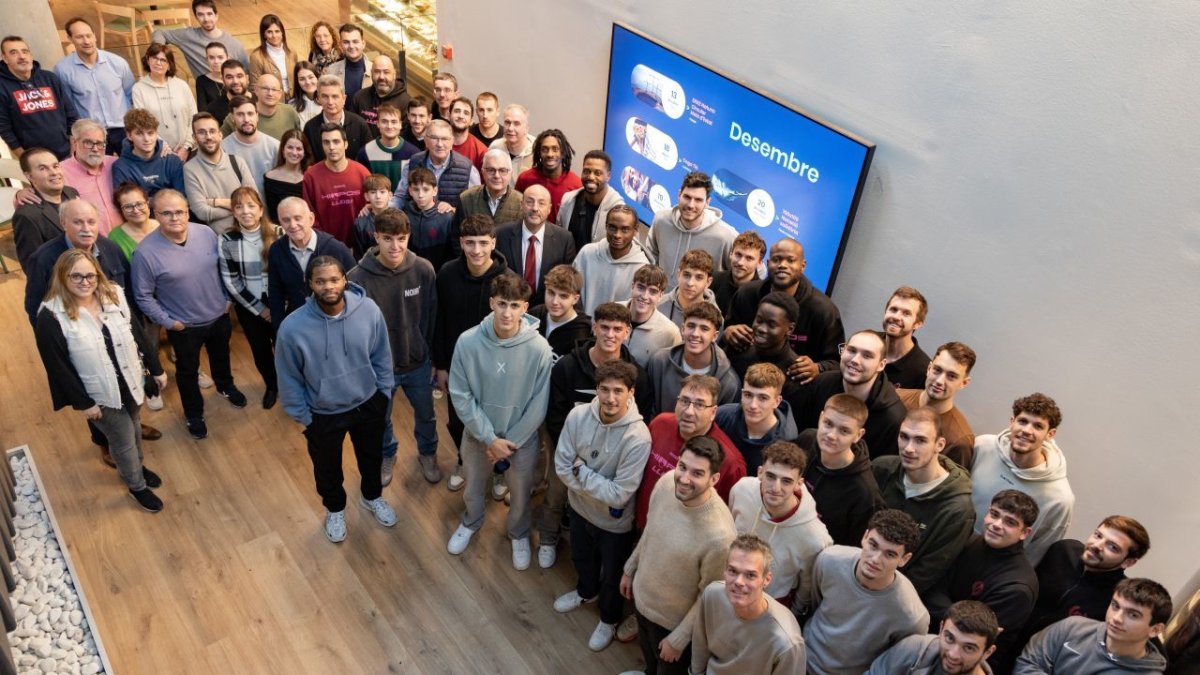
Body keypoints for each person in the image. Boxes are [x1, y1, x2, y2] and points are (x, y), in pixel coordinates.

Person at [275, 255, 397, 543]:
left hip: (368, 402)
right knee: (327, 469)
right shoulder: (292, 328)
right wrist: (304, 416)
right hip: (323, 413)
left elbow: (381, 354)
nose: (328, 286)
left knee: (371, 458)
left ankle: (372, 497)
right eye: (320, 281)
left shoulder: (368, 310)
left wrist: (383, 392)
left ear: (344, 279)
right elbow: (288, 375)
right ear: (310, 285)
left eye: (333, 279)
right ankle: (335, 509)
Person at [34, 249, 167, 512]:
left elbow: (137, 333)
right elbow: (57, 367)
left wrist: (156, 368)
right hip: (99, 395)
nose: (85, 282)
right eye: (76, 277)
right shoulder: (50, 316)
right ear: (62, 277)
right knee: (123, 440)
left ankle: (136, 468)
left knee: (135, 426)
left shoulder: (113, 294)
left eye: (90, 275)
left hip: (130, 381)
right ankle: (136, 486)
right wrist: (84, 403)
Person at [445, 274, 553, 571]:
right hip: (479, 435)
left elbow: (538, 404)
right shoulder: (468, 342)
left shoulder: (540, 349)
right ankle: (471, 520)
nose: (507, 312)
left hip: (522, 439)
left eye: (514, 305)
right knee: (473, 486)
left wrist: (510, 441)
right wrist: (489, 438)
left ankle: (518, 532)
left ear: (525, 308)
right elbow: (460, 393)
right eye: (502, 304)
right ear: (492, 303)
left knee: (520, 493)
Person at [540, 302, 655, 566]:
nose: (610, 335)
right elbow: (556, 415)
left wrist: (586, 471)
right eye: (604, 327)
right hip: (570, 446)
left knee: (600, 501)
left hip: (612, 454)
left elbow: (643, 417)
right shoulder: (567, 367)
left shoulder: (639, 376)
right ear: (594, 327)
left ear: (627, 332)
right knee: (556, 493)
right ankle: (547, 536)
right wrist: (570, 455)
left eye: (618, 329)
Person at [551, 360, 651, 651]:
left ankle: (608, 618)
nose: (610, 398)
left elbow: (620, 494)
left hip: (614, 523)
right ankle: (585, 592)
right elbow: (561, 466)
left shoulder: (638, 437)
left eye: (618, 391)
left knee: (613, 576)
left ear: (631, 392)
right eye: (604, 390)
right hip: (579, 508)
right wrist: (591, 482)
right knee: (582, 558)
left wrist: (581, 471)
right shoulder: (577, 415)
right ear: (596, 389)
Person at [132, 189, 246, 439]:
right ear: (155, 214)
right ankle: (194, 413)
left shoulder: (205, 233)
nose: (175, 218)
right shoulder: (145, 253)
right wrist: (169, 322)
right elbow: (142, 295)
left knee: (221, 356)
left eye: (180, 212)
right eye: (167, 213)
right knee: (187, 372)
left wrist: (228, 300)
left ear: (187, 212)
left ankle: (225, 386)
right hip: (184, 327)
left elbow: (224, 268)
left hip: (219, 315)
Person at [621, 438, 738, 675]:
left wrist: (680, 638)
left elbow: (710, 597)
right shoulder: (666, 483)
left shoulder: (720, 537)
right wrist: (630, 568)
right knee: (649, 661)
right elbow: (650, 530)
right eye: (682, 467)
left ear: (714, 479)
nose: (684, 478)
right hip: (642, 600)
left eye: (697, 473)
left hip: (671, 625)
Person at [346, 208, 439, 485]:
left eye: (401, 238)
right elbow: (353, 329)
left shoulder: (423, 269)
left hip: (418, 362)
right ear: (376, 237)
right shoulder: (356, 278)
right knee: (381, 418)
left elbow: (431, 316)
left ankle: (428, 452)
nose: (395, 246)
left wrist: (431, 356)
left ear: (408, 237)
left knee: (426, 414)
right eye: (387, 238)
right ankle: (388, 453)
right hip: (379, 369)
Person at [432, 215, 511, 490]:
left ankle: (500, 468)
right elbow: (438, 321)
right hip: (457, 367)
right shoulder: (446, 274)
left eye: (482, 243)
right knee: (457, 421)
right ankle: (464, 460)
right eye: (470, 243)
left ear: (493, 243)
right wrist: (440, 365)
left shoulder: (508, 280)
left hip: (497, 369)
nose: (476, 250)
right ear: (461, 243)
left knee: (497, 423)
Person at [804, 509, 929, 675]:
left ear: (904, 559)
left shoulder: (911, 615)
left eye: (890, 554)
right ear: (864, 537)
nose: (875, 559)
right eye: (873, 545)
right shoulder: (829, 560)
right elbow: (815, 603)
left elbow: (895, 662)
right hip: (801, 658)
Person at [927, 489, 1040, 671]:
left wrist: (944, 609)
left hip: (968, 664)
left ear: (1025, 533)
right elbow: (933, 585)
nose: (996, 524)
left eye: (1009, 522)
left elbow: (972, 631)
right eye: (994, 514)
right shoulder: (969, 541)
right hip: (935, 639)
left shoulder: (1018, 587)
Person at [872, 407, 976, 597]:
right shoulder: (881, 469)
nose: (909, 448)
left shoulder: (958, 510)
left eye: (920, 440)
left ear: (940, 444)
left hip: (898, 594)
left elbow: (928, 572)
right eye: (904, 437)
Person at [971, 393, 1074, 567]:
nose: (1027, 431)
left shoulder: (1060, 498)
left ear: (1051, 434)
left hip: (993, 571)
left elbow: (1035, 553)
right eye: (1023, 421)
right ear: (1012, 422)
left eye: (1038, 426)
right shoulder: (982, 447)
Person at [728, 441, 832, 612]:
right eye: (770, 476)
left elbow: (807, 585)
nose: (776, 488)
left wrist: (793, 612)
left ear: (799, 483)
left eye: (786, 481)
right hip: (730, 587)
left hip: (772, 604)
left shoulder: (815, 537)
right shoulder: (741, 490)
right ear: (760, 473)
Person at [722, 237, 844, 382]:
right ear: (768, 264)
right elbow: (726, 330)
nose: (782, 265)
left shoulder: (823, 310)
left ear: (803, 265)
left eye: (790, 260)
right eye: (776, 260)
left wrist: (818, 368)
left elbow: (838, 362)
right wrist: (728, 332)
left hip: (792, 386)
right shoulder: (747, 294)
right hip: (741, 375)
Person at [634, 374, 747, 530]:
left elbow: (726, 519)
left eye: (700, 405)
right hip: (641, 529)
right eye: (684, 401)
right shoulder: (660, 424)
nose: (689, 411)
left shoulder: (729, 462)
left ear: (713, 412)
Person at [690, 535, 808, 675]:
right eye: (733, 571)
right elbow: (700, 648)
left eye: (750, 575)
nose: (739, 581)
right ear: (725, 571)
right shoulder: (712, 595)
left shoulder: (787, 642)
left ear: (766, 579)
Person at [1022, 515, 1151, 642]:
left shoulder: (1120, 597)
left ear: (1128, 562)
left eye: (1112, 547)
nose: (1096, 545)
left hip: (1045, 659)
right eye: (1098, 535)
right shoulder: (1063, 550)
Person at [791, 329, 907, 457]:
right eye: (851, 350)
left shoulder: (892, 419)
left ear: (881, 365)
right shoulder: (821, 383)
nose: (855, 360)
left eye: (867, 356)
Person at [1015, 578, 1171, 674]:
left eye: (1133, 615)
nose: (1116, 618)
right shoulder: (1073, 627)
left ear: (1155, 629)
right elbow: (1028, 662)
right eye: (1115, 606)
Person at [796, 394, 886, 546]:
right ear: (820, 417)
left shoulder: (865, 495)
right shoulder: (806, 440)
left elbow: (854, 551)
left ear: (858, 435)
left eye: (844, 431)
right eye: (828, 424)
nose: (831, 435)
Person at [218, 187, 280, 409]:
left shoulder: (278, 233)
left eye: (251, 205)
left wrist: (278, 305)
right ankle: (272, 385)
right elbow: (231, 281)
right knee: (261, 350)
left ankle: (293, 384)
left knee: (286, 347)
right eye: (239, 206)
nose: (246, 211)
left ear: (261, 209)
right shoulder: (227, 240)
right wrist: (261, 310)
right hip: (250, 307)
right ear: (233, 212)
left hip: (281, 304)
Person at [266, 197, 357, 332]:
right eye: (286, 220)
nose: (292, 225)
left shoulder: (336, 248)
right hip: (298, 323)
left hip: (335, 323)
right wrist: (279, 327)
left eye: (298, 218)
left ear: (311, 218)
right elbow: (275, 290)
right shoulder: (276, 250)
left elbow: (355, 286)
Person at [55, 18, 134, 154]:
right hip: (91, 135)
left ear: (95, 36)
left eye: (88, 35)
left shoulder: (117, 63)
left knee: (134, 169)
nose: (86, 41)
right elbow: (68, 107)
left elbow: (131, 94)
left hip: (123, 129)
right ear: (70, 38)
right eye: (79, 37)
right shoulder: (62, 70)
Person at [646, 302, 739, 416]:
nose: (695, 334)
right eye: (691, 326)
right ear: (682, 329)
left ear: (714, 336)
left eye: (704, 329)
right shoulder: (659, 361)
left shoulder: (729, 382)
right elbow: (649, 410)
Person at [646, 171, 737, 286]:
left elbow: (742, 272)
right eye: (687, 197)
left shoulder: (725, 236)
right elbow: (650, 257)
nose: (691, 205)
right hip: (662, 300)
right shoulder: (661, 219)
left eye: (698, 200)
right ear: (679, 194)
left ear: (707, 202)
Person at [898, 341, 977, 468]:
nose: (940, 381)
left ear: (964, 383)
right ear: (929, 369)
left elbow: (949, 486)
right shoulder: (896, 398)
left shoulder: (960, 439)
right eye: (937, 370)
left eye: (951, 376)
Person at [495, 184, 577, 305]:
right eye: (529, 202)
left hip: (547, 310)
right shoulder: (501, 235)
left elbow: (568, 283)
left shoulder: (564, 239)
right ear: (521, 205)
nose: (535, 208)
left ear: (549, 208)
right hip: (510, 307)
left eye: (541, 203)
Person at [868, 600, 1001, 675]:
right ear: (941, 628)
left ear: (987, 652)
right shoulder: (914, 649)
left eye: (968, 648)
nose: (953, 654)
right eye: (950, 639)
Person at [0, 36, 78, 159]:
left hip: (67, 153)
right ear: (5, 58)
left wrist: (74, 145)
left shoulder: (50, 78)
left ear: (30, 55)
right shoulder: (2, 87)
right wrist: (26, 158)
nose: (21, 56)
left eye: (25, 51)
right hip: (36, 160)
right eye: (13, 53)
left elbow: (71, 113)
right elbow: (4, 129)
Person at [715, 363, 797, 474]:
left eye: (763, 398)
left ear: (777, 401)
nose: (753, 405)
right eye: (748, 395)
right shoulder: (722, 416)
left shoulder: (786, 443)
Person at [183, 112, 254, 233]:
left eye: (212, 131)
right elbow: (202, 212)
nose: (208, 136)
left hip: (249, 234)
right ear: (194, 138)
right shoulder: (190, 169)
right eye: (201, 132)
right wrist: (239, 207)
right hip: (218, 241)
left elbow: (254, 201)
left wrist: (216, 202)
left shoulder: (237, 162)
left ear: (220, 135)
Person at [573, 204, 651, 315]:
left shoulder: (642, 269)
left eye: (624, 229)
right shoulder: (587, 253)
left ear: (635, 230)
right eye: (612, 227)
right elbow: (571, 292)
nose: (617, 235)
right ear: (606, 226)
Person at [389, 119, 481, 211]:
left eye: (445, 139)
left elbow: (475, 207)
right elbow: (400, 198)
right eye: (434, 138)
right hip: (417, 222)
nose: (439, 144)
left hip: (452, 223)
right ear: (426, 140)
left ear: (452, 141)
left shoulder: (468, 169)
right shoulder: (412, 163)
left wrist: (454, 210)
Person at [302, 123, 370, 246]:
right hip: (326, 246)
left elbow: (372, 208)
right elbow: (309, 215)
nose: (331, 147)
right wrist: (325, 243)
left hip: (360, 246)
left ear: (346, 144)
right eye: (326, 142)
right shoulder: (311, 176)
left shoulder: (362, 173)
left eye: (336, 141)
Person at [727, 292, 803, 399]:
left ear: (790, 329)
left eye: (771, 325)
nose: (762, 329)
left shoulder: (795, 372)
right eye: (759, 320)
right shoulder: (740, 348)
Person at [12, 148, 80, 268]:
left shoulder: (72, 193)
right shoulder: (27, 215)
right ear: (29, 176)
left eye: (55, 166)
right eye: (43, 168)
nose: (54, 172)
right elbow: (32, 265)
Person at [150, 0, 249, 82]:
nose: (206, 19)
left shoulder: (235, 44)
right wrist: (159, 50)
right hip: (205, 92)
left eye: (209, 14)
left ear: (216, 15)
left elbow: (248, 74)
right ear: (196, 17)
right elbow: (159, 32)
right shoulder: (188, 36)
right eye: (200, 15)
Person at [131, 44, 196, 161]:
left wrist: (186, 147)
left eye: (163, 60)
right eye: (154, 58)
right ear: (147, 60)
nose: (158, 63)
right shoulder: (139, 88)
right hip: (159, 152)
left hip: (188, 150)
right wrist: (164, 146)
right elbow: (143, 123)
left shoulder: (182, 85)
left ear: (169, 65)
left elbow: (194, 116)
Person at [452, 148, 523, 250]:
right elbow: (456, 237)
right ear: (483, 172)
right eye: (491, 170)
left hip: (508, 265)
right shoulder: (466, 199)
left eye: (503, 170)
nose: (497, 176)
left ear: (510, 173)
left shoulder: (521, 203)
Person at [556, 149, 625, 252]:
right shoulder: (568, 200)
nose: (591, 177)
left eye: (597, 173)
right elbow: (559, 238)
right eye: (587, 171)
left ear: (608, 176)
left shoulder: (620, 211)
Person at [60, 120, 121, 233]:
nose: (95, 149)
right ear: (74, 142)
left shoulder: (116, 164)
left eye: (100, 143)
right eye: (88, 143)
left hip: (126, 241)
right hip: (90, 244)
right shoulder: (60, 172)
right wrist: (20, 194)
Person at [111, 108, 186, 197]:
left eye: (150, 133)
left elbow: (182, 197)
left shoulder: (172, 161)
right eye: (139, 134)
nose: (146, 139)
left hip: (171, 209)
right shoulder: (121, 167)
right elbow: (127, 201)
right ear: (129, 136)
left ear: (156, 134)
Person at [515, 129, 583, 223]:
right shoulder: (525, 179)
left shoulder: (576, 185)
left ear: (563, 153)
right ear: (539, 153)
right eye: (545, 149)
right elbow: (516, 212)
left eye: (555, 149)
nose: (550, 154)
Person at [622, 264, 683, 367]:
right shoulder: (612, 311)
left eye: (653, 291)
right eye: (641, 288)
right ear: (632, 286)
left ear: (660, 295)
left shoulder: (670, 332)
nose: (645, 296)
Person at [302, 75, 373, 163]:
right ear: (318, 98)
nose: (330, 102)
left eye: (335, 96)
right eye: (325, 96)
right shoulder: (310, 128)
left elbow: (369, 157)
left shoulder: (359, 125)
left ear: (344, 99)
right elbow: (308, 162)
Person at [527, 265, 591, 360]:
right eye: (551, 293)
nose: (555, 302)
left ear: (575, 299)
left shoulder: (582, 335)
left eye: (563, 296)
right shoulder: (534, 316)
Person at [222, 95, 281, 196]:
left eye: (250, 114)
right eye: (240, 114)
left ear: (257, 116)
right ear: (232, 118)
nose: (246, 119)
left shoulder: (275, 146)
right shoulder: (222, 149)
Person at [401, 167, 455, 270]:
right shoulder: (405, 213)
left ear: (435, 191)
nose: (420, 195)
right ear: (410, 191)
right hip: (412, 271)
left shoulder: (447, 216)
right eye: (416, 189)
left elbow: (453, 251)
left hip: (439, 272)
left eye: (426, 190)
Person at [355, 103, 418, 188]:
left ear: (400, 124)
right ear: (378, 124)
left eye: (394, 122)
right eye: (384, 121)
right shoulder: (365, 152)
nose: (389, 126)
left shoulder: (413, 154)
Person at [656, 249, 722, 329]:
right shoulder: (658, 305)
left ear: (708, 282)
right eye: (686, 275)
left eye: (699, 277)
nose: (690, 283)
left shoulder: (715, 317)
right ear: (678, 275)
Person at [882, 286, 932, 389]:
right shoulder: (864, 343)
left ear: (917, 324)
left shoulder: (923, 371)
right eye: (893, 309)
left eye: (906, 313)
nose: (896, 317)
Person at [226, 74, 300, 141]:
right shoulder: (239, 115)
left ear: (280, 93)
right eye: (265, 89)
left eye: (274, 90)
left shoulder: (290, 112)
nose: (270, 93)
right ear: (256, 90)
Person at [711, 230, 766, 319]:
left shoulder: (762, 295)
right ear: (731, 254)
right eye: (738, 255)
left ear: (759, 263)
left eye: (749, 258)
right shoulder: (713, 280)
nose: (740, 262)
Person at [263, 129, 312, 223]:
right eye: (290, 147)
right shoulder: (271, 178)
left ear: (305, 152)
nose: (294, 153)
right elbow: (274, 215)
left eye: (299, 149)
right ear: (283, 150)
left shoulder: (312, 174)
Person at [350, 56, 410, 131]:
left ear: (394, 74)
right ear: (371, 73)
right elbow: (353, 130)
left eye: (386, 72)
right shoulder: (359, 98)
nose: (381, 77)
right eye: (377, 72)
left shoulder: (406, 103)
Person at [247, 14, 296, 89]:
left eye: (277, 31)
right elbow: (254, 86)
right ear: (264, 34)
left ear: (282, 32)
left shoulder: (291, 51)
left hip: (294, 98)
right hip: (271, 99)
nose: (274, 36)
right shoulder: (256, 57)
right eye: (269, 32)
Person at [488, 104, 535, 180]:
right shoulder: (495, 148)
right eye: (507, 122)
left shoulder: (537, 151)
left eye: (516, 124)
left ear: (526, 128)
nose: (510, 128)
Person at [351, 173, 393, 255]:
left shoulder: (400, 219)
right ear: (366, 196)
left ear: (390, 195)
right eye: (373, 192)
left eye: (382, 192)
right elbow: (359, 254)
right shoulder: (360, 224)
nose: (378, 196)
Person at [324, 24, 370, 100]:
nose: (351, 46)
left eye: (355, 42)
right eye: (346, 42)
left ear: (363, 44)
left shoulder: (375, 70)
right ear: (340, 44)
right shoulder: (331, 71)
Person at [203, 59, 253, 123]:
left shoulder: (259, 100)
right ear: (223, 80)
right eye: (229, 77)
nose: (235, 81)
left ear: (247, 78)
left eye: (239, 76)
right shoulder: (213, 109)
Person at [448, 96, 488, 171]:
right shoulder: (436, 143)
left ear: (471, 121)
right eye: (457, 111)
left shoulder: (481, 152)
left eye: (466, 113)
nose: (461, 116)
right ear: (449, 115)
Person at [195, 42, 227, 112]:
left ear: (227, 58)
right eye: (211, 57)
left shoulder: (234, 79)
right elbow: (202, 109)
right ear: (207, 59)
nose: (216, 61)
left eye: (220, 57)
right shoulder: (201, 81)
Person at [290, 61, 322, 125]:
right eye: (302, 79)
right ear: (297, 82)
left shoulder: (327, 101)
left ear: (317, 78)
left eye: (311, 77)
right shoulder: (292, 105)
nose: (307, 82)